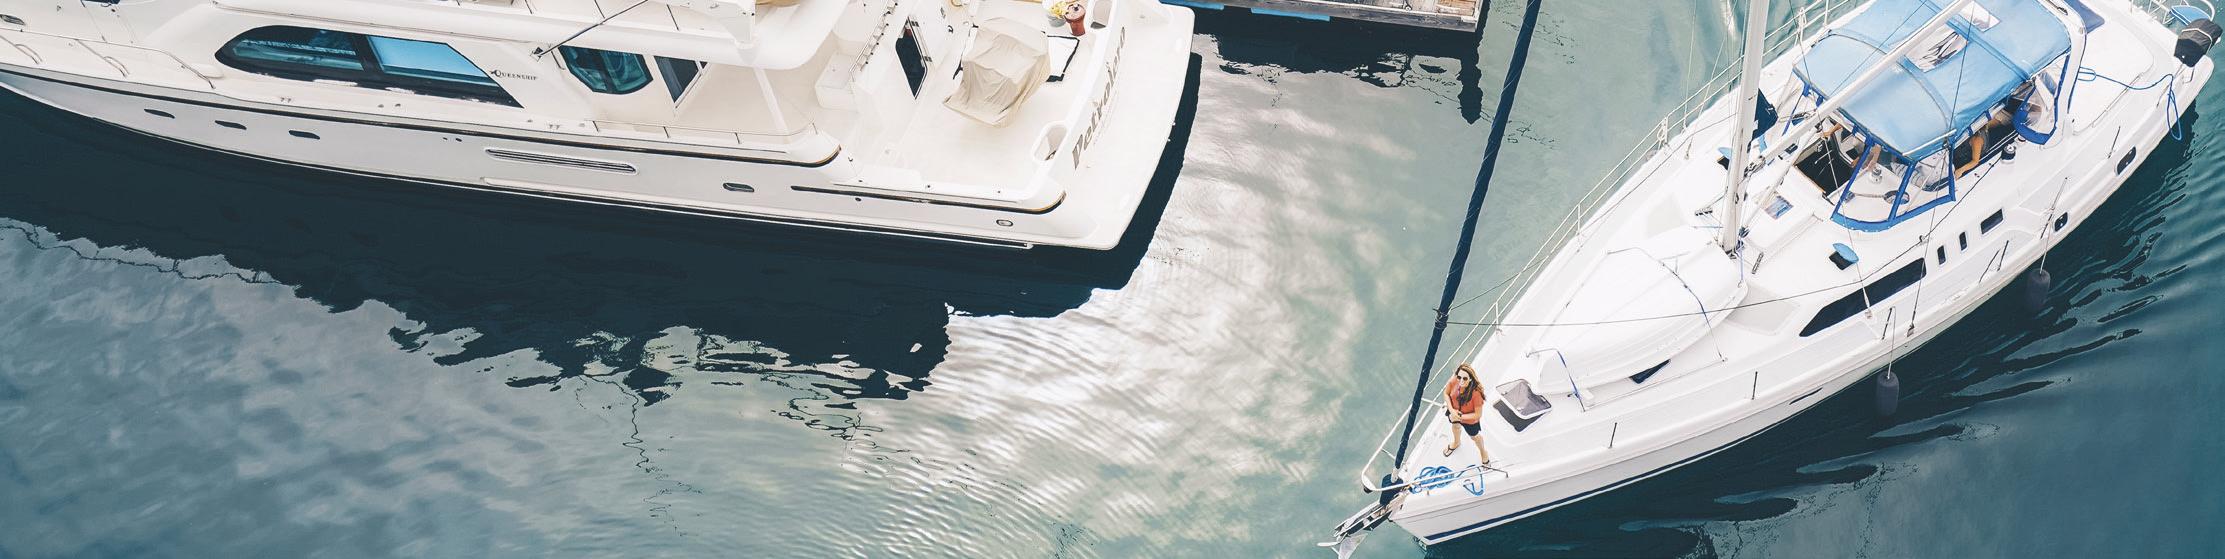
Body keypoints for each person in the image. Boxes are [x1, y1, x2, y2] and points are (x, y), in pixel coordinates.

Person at [1442, 363, 1491, 465]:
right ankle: (1456, 442)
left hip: (1469, 420)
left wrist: (1460, 416)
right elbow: (1446, 393)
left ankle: (1483, 452)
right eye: (1459, 377)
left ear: (1470, 379)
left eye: (1465, 378)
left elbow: (1477, 415)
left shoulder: (1476, 393)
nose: (1461, 381)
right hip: (1454, 412)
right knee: (1455, 426)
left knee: (1475, 437)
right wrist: (1452, 411)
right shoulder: (1454, 381)